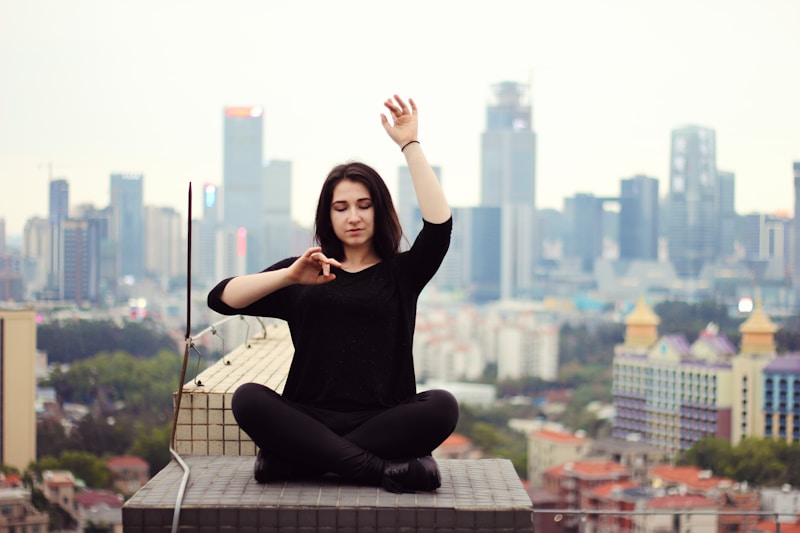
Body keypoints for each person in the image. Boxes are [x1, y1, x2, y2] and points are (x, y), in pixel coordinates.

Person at [206, 95, 458, 493]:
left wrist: (410, 144)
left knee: (443, 406)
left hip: (381, 420)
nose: (353, 216)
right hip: (309, 417)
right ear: (329, 215)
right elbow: (221, 298)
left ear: (379, 211)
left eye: (363, 205)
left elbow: (439, 228)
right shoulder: (306, 270)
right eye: (341, 207)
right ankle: (377, 471)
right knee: (248, 399)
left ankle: (296, 461)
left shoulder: (402, 274)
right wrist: (287, 277)